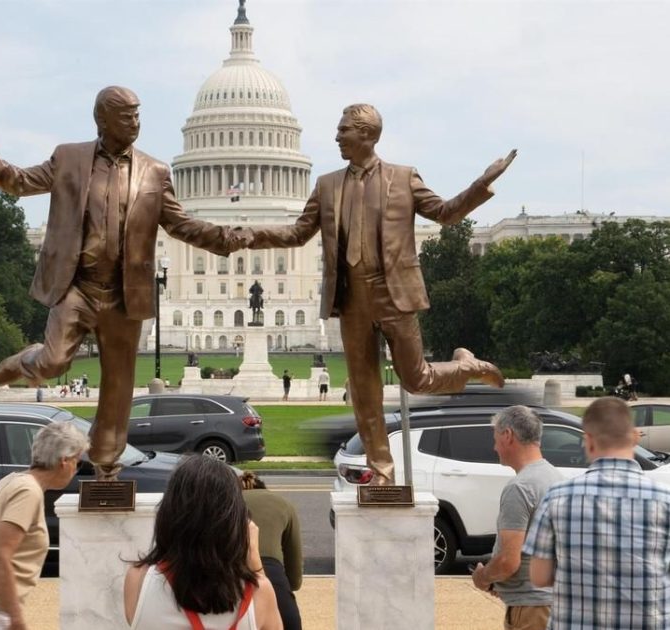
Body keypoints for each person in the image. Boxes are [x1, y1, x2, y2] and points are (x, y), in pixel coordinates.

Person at [0, 86, 247, 480]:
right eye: (126, 116)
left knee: (119, 387)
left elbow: (180, 224)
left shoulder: (155, 171)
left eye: (138, 115)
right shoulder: (68, 158)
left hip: (125, 293)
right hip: (77, 285)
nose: (135, 123)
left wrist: (226, 238)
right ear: (102, 120)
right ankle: (25, 360)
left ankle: (107, 467)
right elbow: (17, 181)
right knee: (53, 361)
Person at [239, 103, 516, 484]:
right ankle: (382, 471)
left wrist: (481, 185)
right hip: (351, 299)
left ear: (367, 135)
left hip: (393, 293)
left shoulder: (403, 178)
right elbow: (298, 233)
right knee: (365, 393)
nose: (336, 137)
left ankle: (466, 367)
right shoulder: (327, 184)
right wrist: (252, 235)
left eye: (343, 131)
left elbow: (446, 213)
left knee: (415, 379)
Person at [523, 397, 670, 629]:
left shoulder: (557, 497)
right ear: (633, 438)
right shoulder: (665, 500)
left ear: (588, 441)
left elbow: (539, 577)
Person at [124, 454, 282, 629]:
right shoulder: (259, 594)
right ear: (235, 521)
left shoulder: (138, 580)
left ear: (168, 514)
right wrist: (254, 559)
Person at [0, 422, 90, 630]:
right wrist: (16, 617)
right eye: (79, 462)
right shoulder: (28, 491)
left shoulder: (14, 480)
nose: (77, 469)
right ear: (65, 461)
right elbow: (1, 555)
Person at [470, 406, 563, 630]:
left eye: (495, 438)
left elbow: (509, 561)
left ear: (508, 435)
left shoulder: (520, 488)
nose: (494, 447)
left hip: (531, 608)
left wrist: (483, 577)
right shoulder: (556, 478)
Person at [240, 471, 303, 630]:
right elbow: (295, 578)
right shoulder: (283, 504)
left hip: (232, 577)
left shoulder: (226, 503)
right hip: (275, 583)